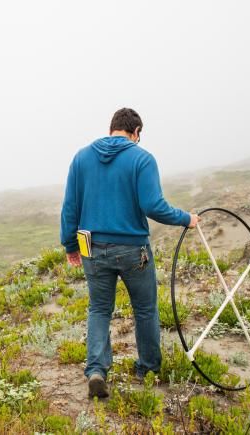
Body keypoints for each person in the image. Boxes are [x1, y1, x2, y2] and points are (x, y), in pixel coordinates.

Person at [60, 108, 199, 399]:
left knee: (99, 308)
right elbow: (153, 206)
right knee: (145, 309)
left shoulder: (81, 158)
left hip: (92, 249)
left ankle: (97, 370)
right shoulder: (142, 158)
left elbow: (70, 207)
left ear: (111, 128)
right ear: (136, 133)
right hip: (133, 250)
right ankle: (148, 368)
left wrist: (70, 246)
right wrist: (187, 218)